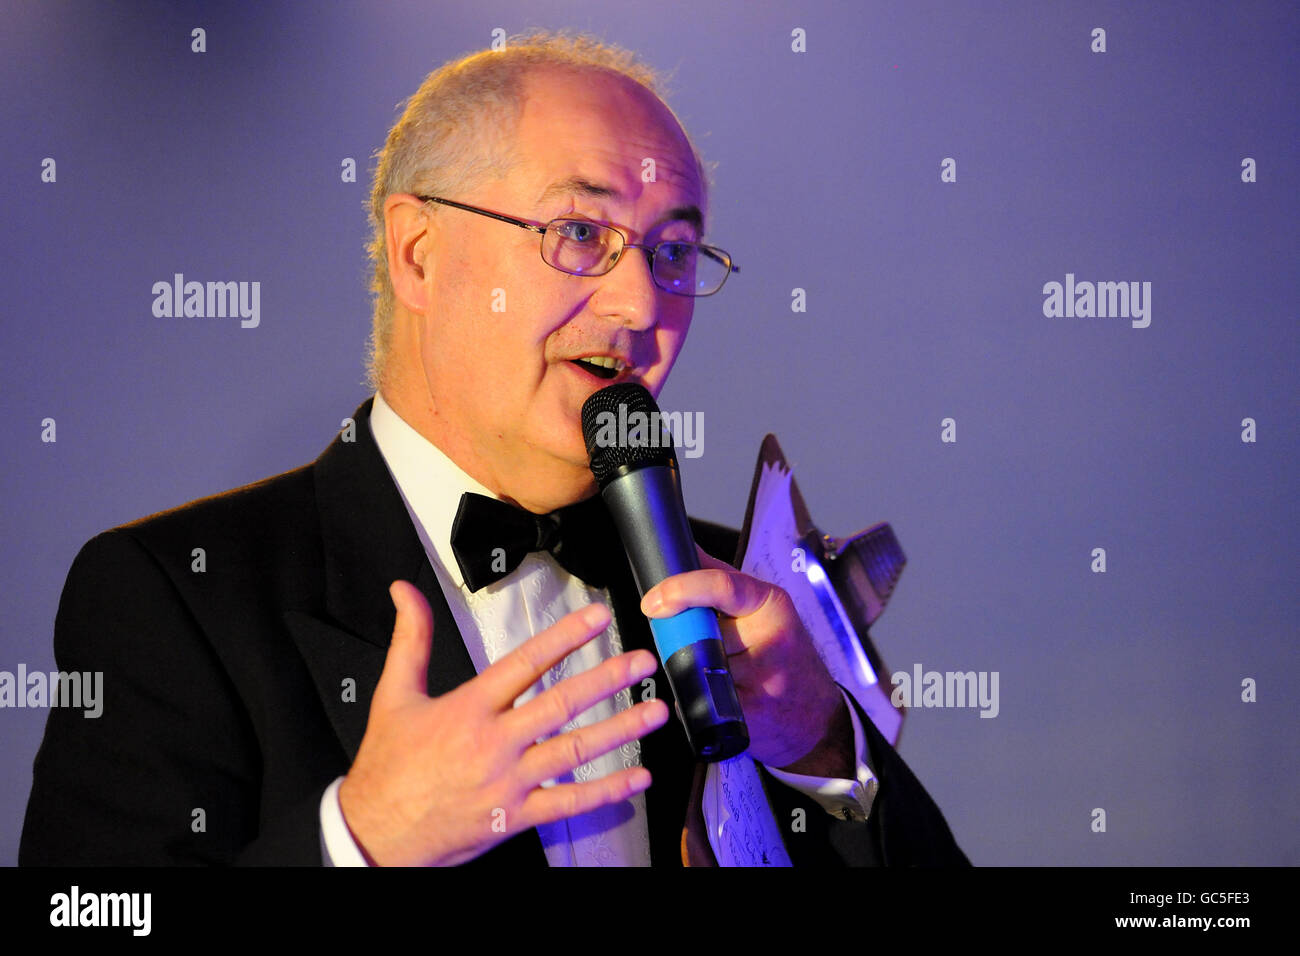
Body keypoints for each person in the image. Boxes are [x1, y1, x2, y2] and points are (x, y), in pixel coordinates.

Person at [20, 32, 968, 867]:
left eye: (674, 252)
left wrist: (820, 749)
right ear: (419, 253)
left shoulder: (730, 598)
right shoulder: (175, 596)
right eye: (581, 232)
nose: (641, 306)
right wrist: (359, 844)